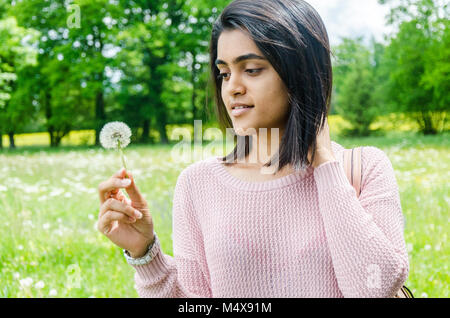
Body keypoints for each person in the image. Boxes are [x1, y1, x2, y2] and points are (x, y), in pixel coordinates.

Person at [97, 0, 409, 298]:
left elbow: (375, 288)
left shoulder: (364, 167)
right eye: (224, 72)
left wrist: (326, 165)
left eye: (252, 69)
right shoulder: (197, 183)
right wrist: (145, 252)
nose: (232, 87)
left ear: (299, 73)